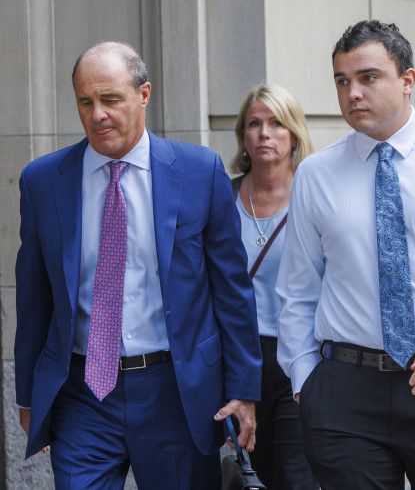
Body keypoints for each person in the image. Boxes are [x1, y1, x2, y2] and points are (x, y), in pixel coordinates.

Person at [14, 41, 262, 489]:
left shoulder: (198, 172)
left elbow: (232, 290)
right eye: (85, 102)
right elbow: (34, 298)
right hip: (81, 393)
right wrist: (30, 397)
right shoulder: (43, 181)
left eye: (110, 99)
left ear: (143, 95)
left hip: (176, 390)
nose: (97, 115)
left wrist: (243, 390)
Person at [276, 20, 415, 489]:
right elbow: (298, 289)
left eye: (368, 77)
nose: (352, 93)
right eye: (342, 81)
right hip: (344, 389)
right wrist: (305, 380)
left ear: (408, 80)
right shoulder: (315, 174)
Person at [229, 83, 318, 490]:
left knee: (296, 474)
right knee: (251, 472)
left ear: (294, 133)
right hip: (238, 355)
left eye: (277, 123)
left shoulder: (314, 193)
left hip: (297, 351)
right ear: (243, 136)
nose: (265, 133)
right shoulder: (223, 195)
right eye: (255, 124)